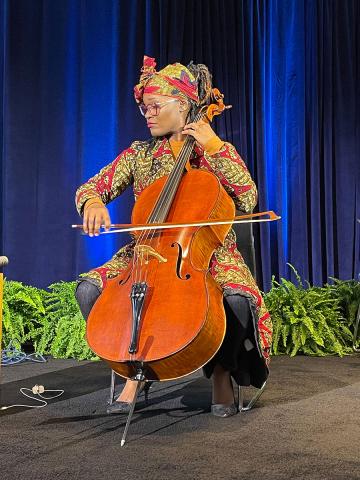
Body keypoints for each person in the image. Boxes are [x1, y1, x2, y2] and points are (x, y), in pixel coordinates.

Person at [74, 56, 272, 417]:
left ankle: (221, 373)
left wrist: (214, 148)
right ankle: (134, 368)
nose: (147, 114)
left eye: (155, 106)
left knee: (237, 300)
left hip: (207, 254)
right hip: (145, 253)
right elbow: (92, 187)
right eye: (145, 107)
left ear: (182, 105)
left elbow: (247, 198)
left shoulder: (213, 150)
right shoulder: (139, 154)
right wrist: (91, 203)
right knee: (89, 290)